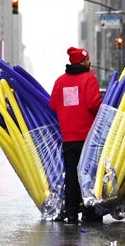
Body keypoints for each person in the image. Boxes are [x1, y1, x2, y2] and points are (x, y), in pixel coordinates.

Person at [50, 47, 102, 225]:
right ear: (81, 62)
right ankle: (90, 213)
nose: (90, 62)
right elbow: (94, 104)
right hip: (87, 138)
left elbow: (53, 105)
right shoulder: (89, 79)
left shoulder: (60, 82)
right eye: (87, 60)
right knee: (88, 176)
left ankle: (71, 213)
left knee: (71, 176)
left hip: (68, 137)